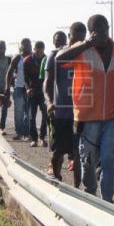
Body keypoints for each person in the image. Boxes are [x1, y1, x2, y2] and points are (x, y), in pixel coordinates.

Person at [56, 14, 114, 203]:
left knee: (108, 159)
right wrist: (86, 44)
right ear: (91, 33)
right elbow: (59, 59)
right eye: (98, 30)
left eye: (105, 28)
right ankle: (90, 192)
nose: (103, 34)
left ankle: (108, 201)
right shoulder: (82, 50)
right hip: (88, 115)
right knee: (87, 160)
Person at [45, 26, 86, 188]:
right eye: (75, 38)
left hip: (81, 113)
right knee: (57, 152)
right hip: (60, 112)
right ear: (69, 37)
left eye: (82, 39)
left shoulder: (86, 55)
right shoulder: (55, 55)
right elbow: (47, 82)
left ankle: (77, 189)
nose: (78, 42)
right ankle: (56, 179)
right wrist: (49, 102)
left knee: (77, 154)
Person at [6, 39, 32, 141]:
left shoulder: (33, 57)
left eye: (28, 45)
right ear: (21, 47)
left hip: (29, 89)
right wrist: (7, 87)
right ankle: (19, 133)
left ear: (30, 46)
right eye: (24, 45)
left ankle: (27, 134)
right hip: (18, 88)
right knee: (18, 112)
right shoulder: (17, 58)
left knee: (28, 112)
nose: (26, 47)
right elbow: (9, 72)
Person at [24, 41, 49, 147]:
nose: (38, 52)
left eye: (41, 49)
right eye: (36, 49)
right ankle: (34, 139)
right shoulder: (28, 60)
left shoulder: (47, 59)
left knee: (45, 114)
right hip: (32, 91)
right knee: (31, 116)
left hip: (43, 91)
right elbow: (25, 77)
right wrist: (27, 89)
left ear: (43, 49)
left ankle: (42, 137)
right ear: (33, 49)